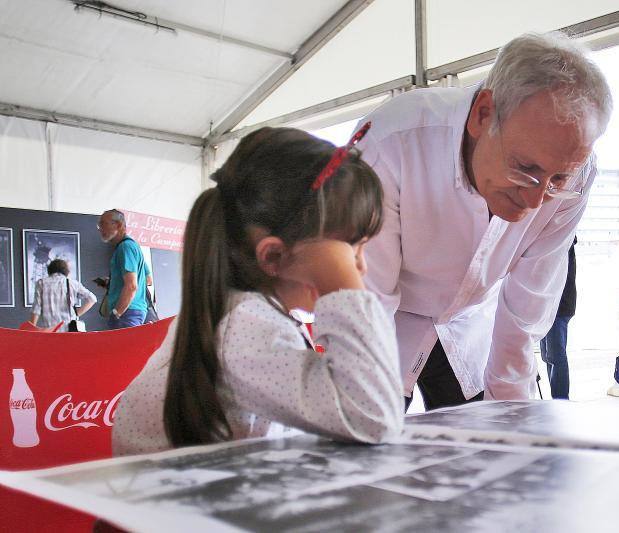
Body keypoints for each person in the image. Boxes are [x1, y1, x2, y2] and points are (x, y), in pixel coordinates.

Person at [355, 32, 612, 410]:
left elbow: (528, 302)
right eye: (525, 168)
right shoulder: (389, 143)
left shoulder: (578, 173)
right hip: (385, 326)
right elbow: (368, 298)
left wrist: (508, 418)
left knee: (483, 447)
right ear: (483, 114)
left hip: (471, 325)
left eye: (558, 179)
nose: (535, 200)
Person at [112, 125, 404, 456]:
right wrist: (342, 284)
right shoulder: (246, 326)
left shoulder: (238, 313)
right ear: (273, 256)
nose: (360, 268)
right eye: (350, 251)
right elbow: (373, 416)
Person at [96, 209, 153, 329]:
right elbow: (147, 279)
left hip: (127, 313)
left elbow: (132, 286)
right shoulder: (132, 246)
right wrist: (113, 283)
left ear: (119, 225)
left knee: (124, 347)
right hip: (134, 311)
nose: (100, 228)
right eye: (99, 225)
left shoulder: (125, 247)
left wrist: (117, 313)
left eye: (103, 224)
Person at [540, 237, 577, 399]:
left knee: (555, 356)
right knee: (547, 356)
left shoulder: (563, 243)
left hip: (559, 306)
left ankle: (561, 401)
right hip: (548, 306)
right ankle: (557, 399)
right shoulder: (558, 241)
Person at [29, 259, 96, 332]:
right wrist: (77, 313)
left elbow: (36, 308)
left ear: (50, 269)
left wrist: (32, 329)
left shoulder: (41, 283)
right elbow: (92, 299)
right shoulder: (72, 283)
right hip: (69, 330)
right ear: (66, 271)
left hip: (50, 331)